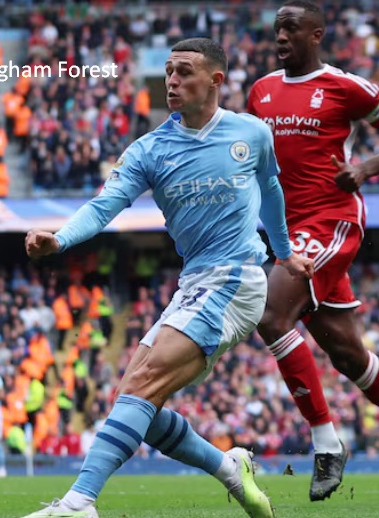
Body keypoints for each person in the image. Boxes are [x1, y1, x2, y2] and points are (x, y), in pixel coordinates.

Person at [19, 38, 314, 518]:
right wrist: (60, 239)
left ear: (216, 80)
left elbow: (272, 189)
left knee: (144, 383)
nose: (172, 82)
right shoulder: (149, 149)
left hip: (237, 279)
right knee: (139, 402)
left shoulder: (252, 134)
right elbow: (102, 207)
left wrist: (284, 254)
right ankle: (227, 468)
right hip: (194, 284)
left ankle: (79, 502)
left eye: (184, 72)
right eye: (168, 73)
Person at [246, 0, 379, 501]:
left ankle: (325, 442)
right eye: (277, 29)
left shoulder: (346, 87)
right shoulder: (262, 91)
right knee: (348, 355)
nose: (281, 37)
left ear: (316, 34)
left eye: (291, 29)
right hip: (285, 229)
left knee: (271, 314)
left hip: (332, 221)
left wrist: (366, 168)